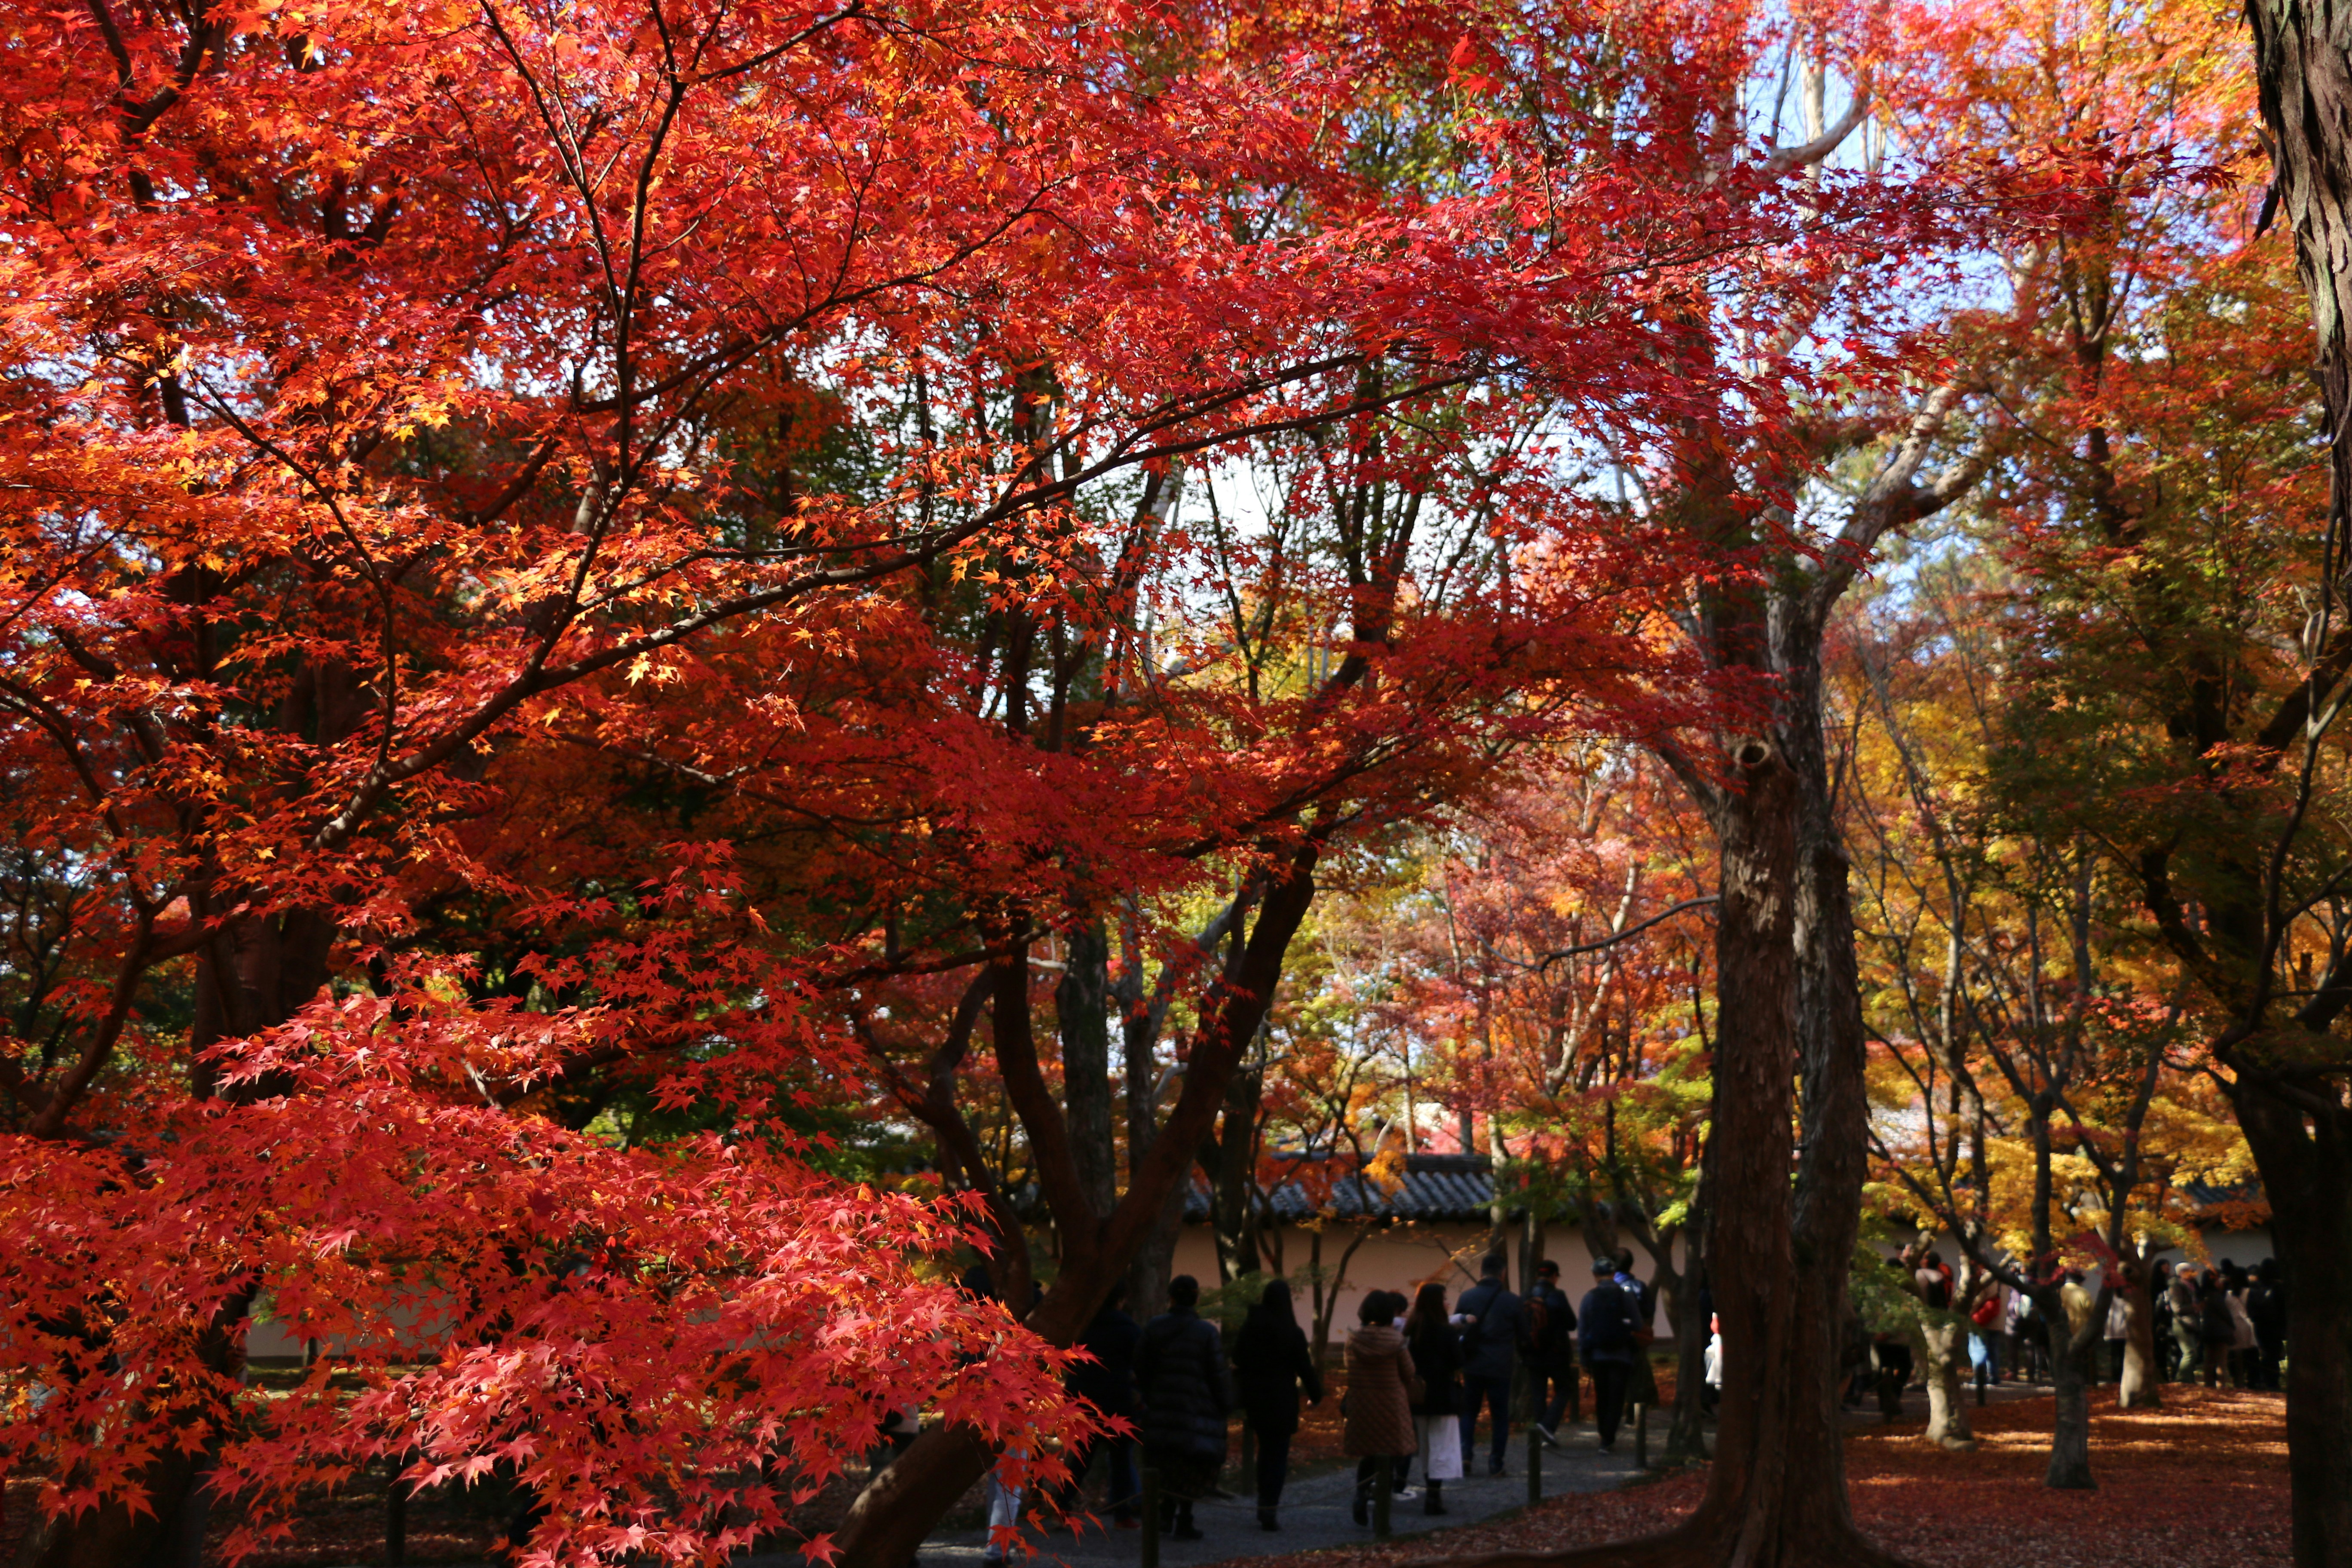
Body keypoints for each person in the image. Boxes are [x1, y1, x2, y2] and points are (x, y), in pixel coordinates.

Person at [1135, 1275, 1227, 1541]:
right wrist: (1225, 1404)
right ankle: (1184, 1519)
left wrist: (1151, 1391)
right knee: (1191, 1463)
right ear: (1196, 1298)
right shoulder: (1206, 1332)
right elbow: (1218, 1374)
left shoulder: (1155, 1327)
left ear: (1171, 1297)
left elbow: (1140, 1364)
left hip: (1162, 1406)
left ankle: (1164, 1513)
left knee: (1164, 1461)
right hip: (1194, 1408)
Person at [1231, 1279, 1322, 1531]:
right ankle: (1270, 1506)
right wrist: (1316, 1394)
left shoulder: (1251, 1327)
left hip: (1257, 1398)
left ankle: (1263, 1499)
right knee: (1278, 1454)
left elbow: (1238, 1358)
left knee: (1264, 1451)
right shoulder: (1292, 1332)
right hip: (1282, 1398)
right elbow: (1305, 1368)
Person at [1050, 1283, 1142, 1528]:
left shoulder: (1084, 1326)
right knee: (1121, 1459)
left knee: (1081, 1458)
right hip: (1118, 1399)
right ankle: (1122, 1513)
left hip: (1084, 1399)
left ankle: (1062, 1505)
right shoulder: (1129, 1329)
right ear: (1121, 1299)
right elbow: (1141, 1364)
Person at [1343, 1289, 1418, 1526]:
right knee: (1391, 1456)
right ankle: (1381, 1509)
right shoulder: (1396, 1341)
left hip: (1362, 1403)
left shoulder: (1354, 1340)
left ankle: (1360, 1496)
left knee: (1368, 1455)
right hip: (1391, 1405)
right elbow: (1410, 1373)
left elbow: (1349, 1370)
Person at [1452, 1251, 1522, 1476]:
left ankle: (1465, 1456)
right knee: (1500, 1416)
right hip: (1501, 1364)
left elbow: (1457, 1327)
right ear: (1503, 1274)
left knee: (1469, 1412)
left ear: (1481, 1272)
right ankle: (1496, 1462)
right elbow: (1524, 1335)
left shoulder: (1467, 1298)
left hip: (1473, 1363)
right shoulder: (1512, 1300)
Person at [1403, 1282, 1463, 1515]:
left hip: (1418, 1395)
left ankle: (1431, 1491)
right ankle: (1434, 1496)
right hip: (1442, 1395)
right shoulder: (1446, 1331)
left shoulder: (1411, 1330)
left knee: (1426, 1447)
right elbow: (1458, 1361)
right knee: (1442, 1445)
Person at [1576, 1256, 1637, 1452]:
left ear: (1595, 1275)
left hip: (1598, 1355)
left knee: (1602, 1396)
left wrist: (1584, 1357)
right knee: (1617, 1397)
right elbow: (1637, 1323)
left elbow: (1583, 1329)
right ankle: (1609, 1437)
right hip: (1622, 1354)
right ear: (1613, 1274)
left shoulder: (1589, 1297)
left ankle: (1604, 1435)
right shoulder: (1625, 1295)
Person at [1528, 1258, 1580, 1444]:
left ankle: (1540, 1432)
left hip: (1531, 1353)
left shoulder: (1527, 1296)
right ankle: (1548, 1426)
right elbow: (1572, 1324)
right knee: (1566, 1388)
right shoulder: (1557, 1295)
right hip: (1556, 1353)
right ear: (1554, 1276)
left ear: (1537, 1276)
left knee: (1538, 1393)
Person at [2248, 1259, 2286, 1391]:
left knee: (2266, 1354)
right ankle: (2273, 1382)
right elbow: (2283, 1308)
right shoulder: (2279, 1287)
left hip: (2260, 1325)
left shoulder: (2256, 1287)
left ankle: (2266, 1380)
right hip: (2275, 1326)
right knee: (2273, 1355)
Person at [2197, 1269, 2234, 1389]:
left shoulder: (2201, 1294)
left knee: (2208, 1361)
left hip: (2207, 1331)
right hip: (2220, 1332)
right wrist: (2232, 1325)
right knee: (2222, 1362)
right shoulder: (2216, 1296)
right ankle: (2221, 1385)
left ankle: (2209, 1385)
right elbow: (2225, 1313)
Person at [2168, 1265, 2203, 1384]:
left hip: (2191, 1323)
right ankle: (2181, 1380)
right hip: (2182, 1323)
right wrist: (2193, 1307)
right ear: (2182, 1273)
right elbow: (2177, 1308)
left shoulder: (2191, 1286)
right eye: (2190, 1271)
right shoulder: (2176, 1286)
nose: (2193, 1273)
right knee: (2190, 1353)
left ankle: (2188, 1381)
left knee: (2193, 1353)